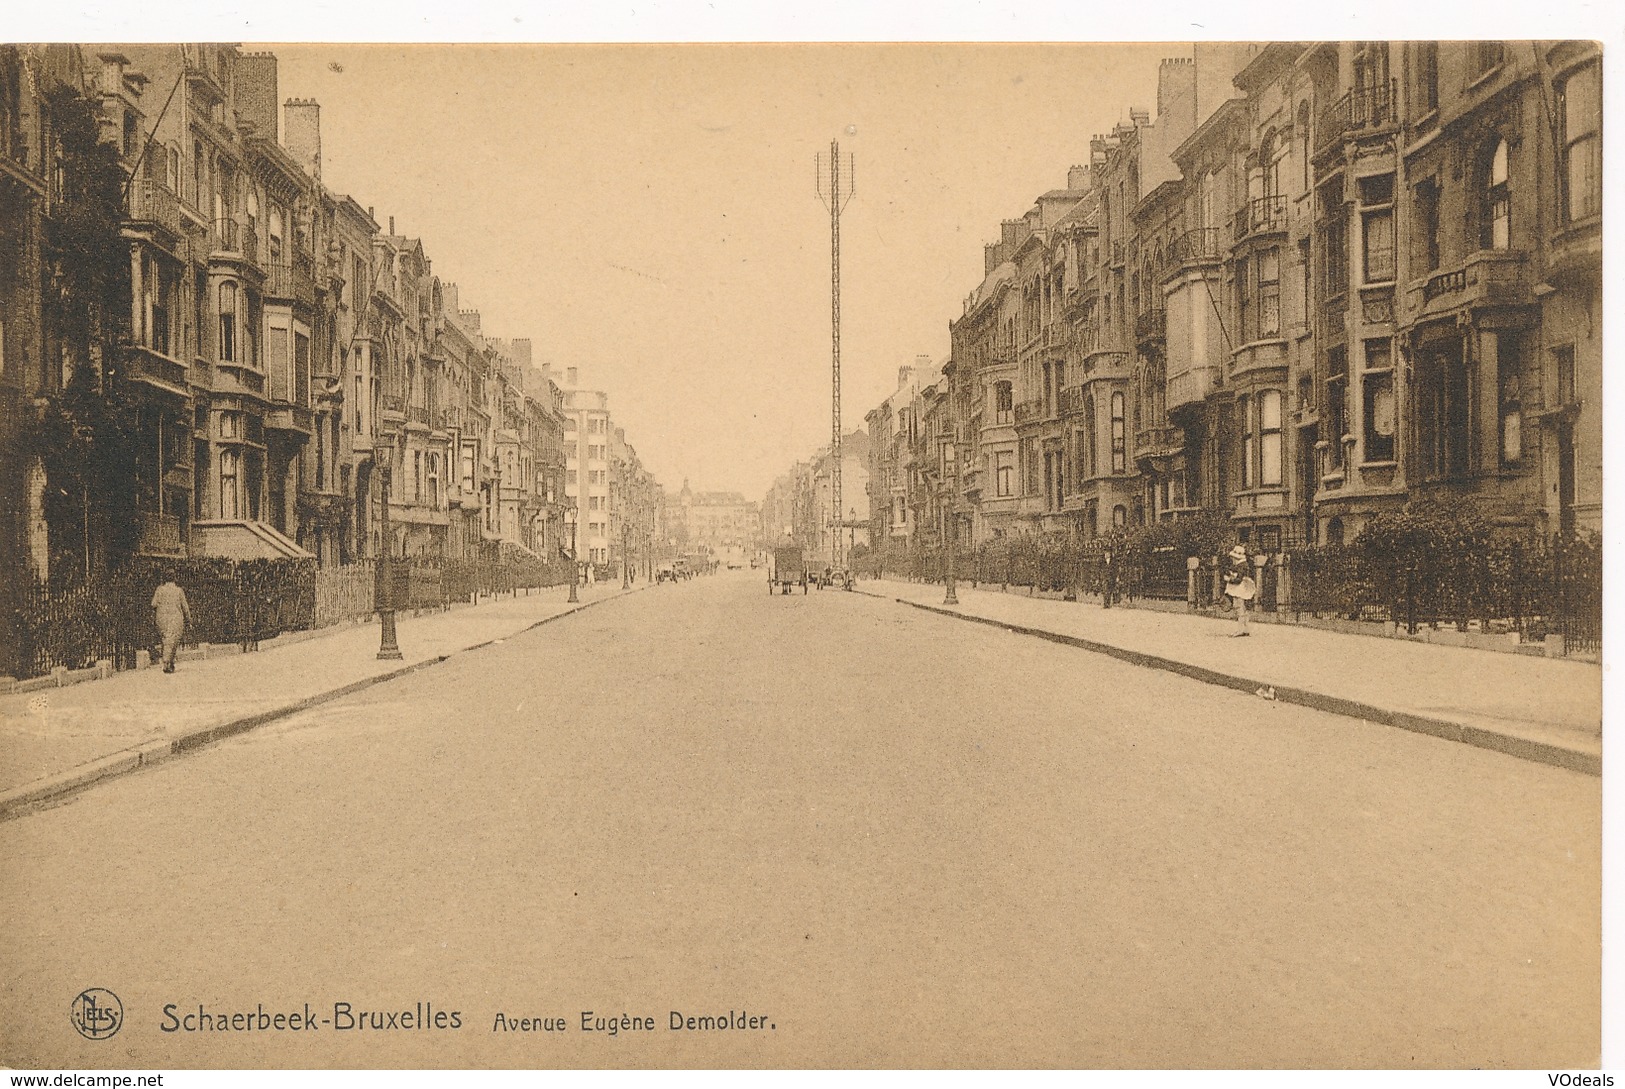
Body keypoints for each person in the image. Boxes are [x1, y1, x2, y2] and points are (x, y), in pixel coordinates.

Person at [151, 572, 192, 673]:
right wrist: (188, 619)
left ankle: (169, 662)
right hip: (175, 618)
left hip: (162, 618)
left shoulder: (159, 590)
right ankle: (167, 662)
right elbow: (185, 607)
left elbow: (153, 604)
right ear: (175, 578)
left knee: (166, 639)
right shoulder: (179, 591)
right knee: (173, 640)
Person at [1223, 544, 1256, 637]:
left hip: (1239, 589)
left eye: (1233, 557)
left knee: (1239, 608)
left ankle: (1240, 630)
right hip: (1240, 589)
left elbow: (1238, 580)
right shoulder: (1241, 565)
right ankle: (1246, 629)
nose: (1232, 559)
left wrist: (1228, 579)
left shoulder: (1241, 566)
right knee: (1242, 609)